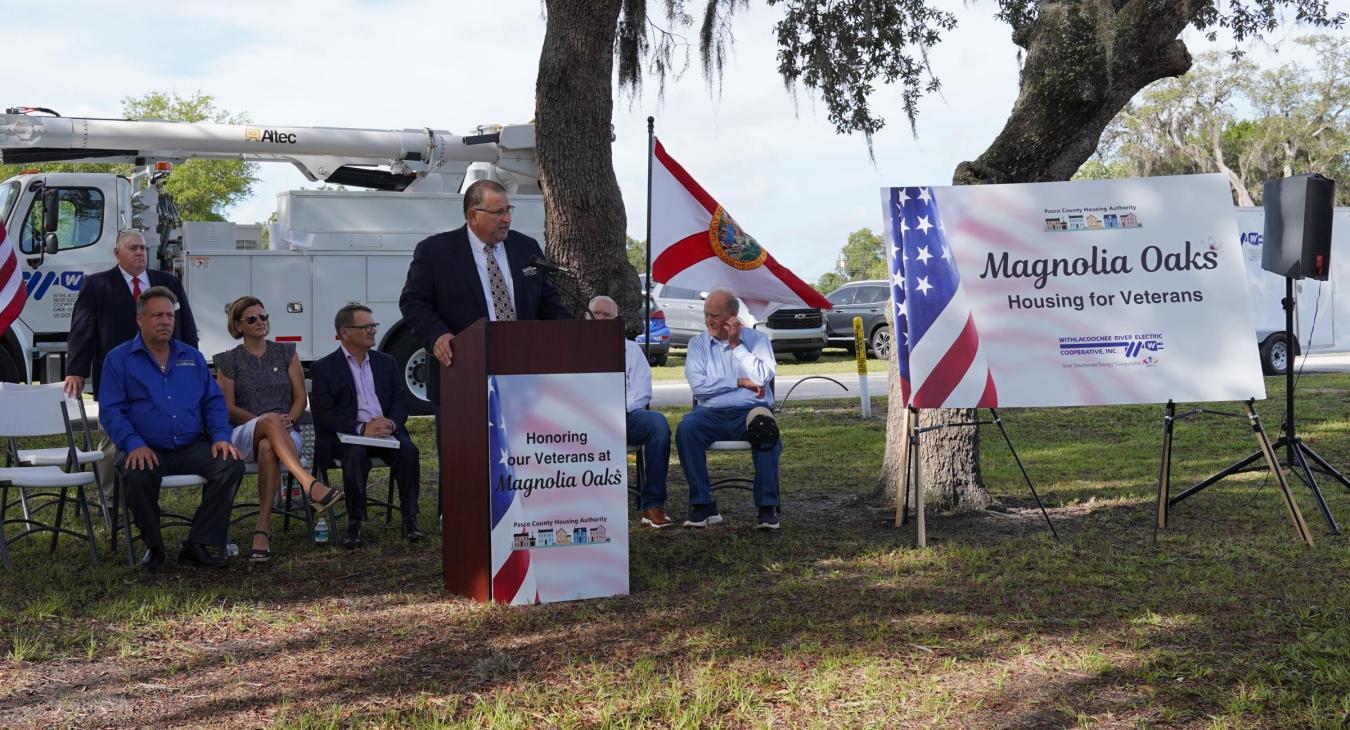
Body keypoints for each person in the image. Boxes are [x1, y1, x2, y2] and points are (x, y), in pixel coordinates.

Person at [398, 179, 570, 419]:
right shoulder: (436, 251)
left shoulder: (525, 248)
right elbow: (413, 302)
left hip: (522, 379)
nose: (507, 218)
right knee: (464, 456)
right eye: (499, 212)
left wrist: (571, 335)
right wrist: (437, 335)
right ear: (473, 215)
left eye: (508, 210)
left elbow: (547, 302)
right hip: (461, 377)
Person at [99, 286, 243, 571]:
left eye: (169, 315)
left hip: (190, 445)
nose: (165, 321)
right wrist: (133, 443)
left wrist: (221, 436)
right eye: (157, 316)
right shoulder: (119, 359)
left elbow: (213, 402)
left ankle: (198, 543)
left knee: (230, 464)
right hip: (145, 447)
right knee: (137, 475)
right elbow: (111, 410)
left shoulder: (192, 357)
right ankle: (154, 546)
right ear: (140, 320)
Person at [64, 230, 199, 490]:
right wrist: (76, 370)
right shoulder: (97, 285)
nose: (140, 253)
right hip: (117, 378)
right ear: (117, 253)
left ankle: (144, 494)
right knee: (115, 438)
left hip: (163, 377)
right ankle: (113, 500)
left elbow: (185, 328)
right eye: (133, 248)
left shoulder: (168, 283)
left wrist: (191, 366)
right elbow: (82, 330)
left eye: (143, 249)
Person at [214, 296, 344, 562]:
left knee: (268, 446)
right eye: (252, 319)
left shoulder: (286, 353)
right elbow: (227, 407)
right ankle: (310, 484)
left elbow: (300, 398)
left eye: (263, 317)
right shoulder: (229, 360)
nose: (260, 322)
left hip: (285, 433)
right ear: (238, 326)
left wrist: (288, 421)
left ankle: (262, 530)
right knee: (268, 425)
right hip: (243, 432)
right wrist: (265, 420)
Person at [310, 304, 423, 547]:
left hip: (385, 433)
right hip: (347, 437)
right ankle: (355, 523)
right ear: (346, 332)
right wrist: (361, 429)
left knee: (408, 452)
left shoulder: (387, 362)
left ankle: (410, 519)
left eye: (374, 325)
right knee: (355, 455)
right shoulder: (324, 368)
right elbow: (324, 414)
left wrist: (391, 424)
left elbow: (400, 402)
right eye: (367, 326)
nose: (373, 330)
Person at [676, 289, 782, 530]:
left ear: (733, 316)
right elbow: (700, 389)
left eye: (715, 315)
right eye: (706, 315)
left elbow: (763, 376)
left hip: (751, 412)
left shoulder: (758, 341)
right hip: (710, 414)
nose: (709, 321)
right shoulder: (698, 344)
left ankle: (767, 508)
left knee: (765, 428)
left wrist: (736, 347)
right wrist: (739, 382)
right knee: (686, 428)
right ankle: (703, 504)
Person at [588, 296, 673, 528]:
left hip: (624, 417)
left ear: (618, 321)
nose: (602, 318)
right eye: (597, 313)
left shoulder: (631, 350)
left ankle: (652, 504)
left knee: (657, 424)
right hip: (584, 420)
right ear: (587, 317)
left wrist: (615, 409)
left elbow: (642, 392)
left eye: (608, 315)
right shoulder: (574, 348)